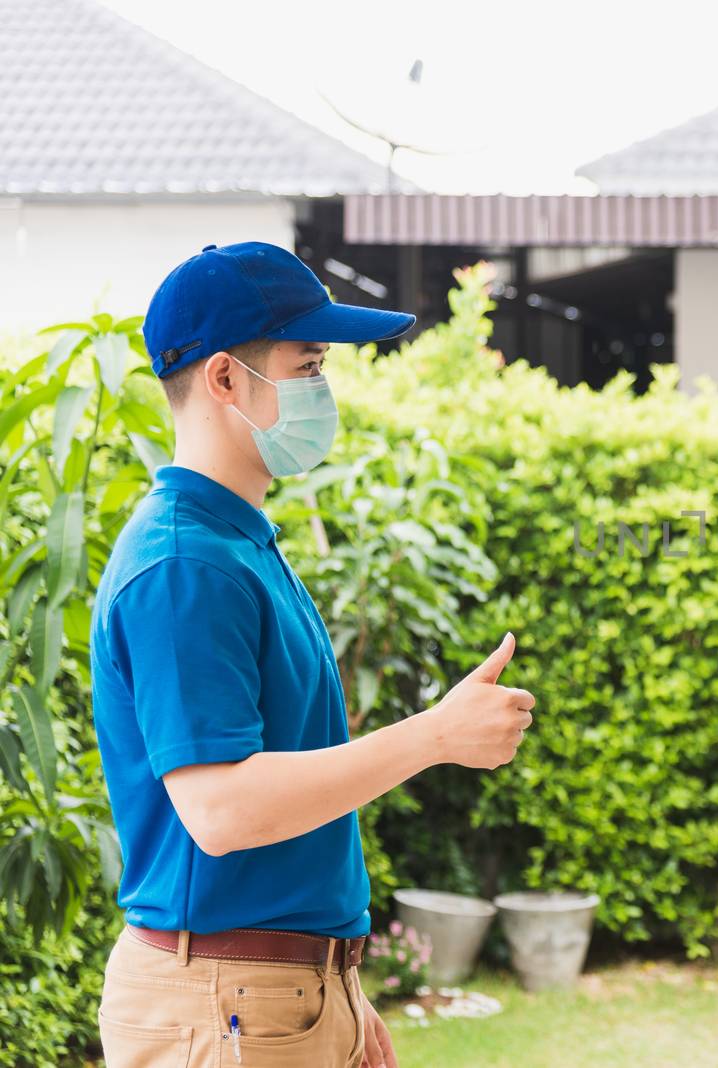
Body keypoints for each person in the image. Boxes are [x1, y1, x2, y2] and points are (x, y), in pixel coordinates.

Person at [91, 242, 536, 1068]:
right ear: (225, 379)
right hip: (228, 1002)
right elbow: (221, 811)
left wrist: (338, 994)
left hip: (273, 997)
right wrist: (436, 736)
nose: (322, 391)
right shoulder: (186, 565)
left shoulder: (237, 542)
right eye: (309, 364)